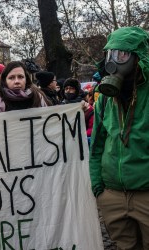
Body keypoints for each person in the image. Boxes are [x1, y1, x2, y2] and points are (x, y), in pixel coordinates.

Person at [89, 26, 149, 249]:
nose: (113, 60)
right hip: (112, 195)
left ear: (138, 57)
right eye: (110, 53)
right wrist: (99, 189)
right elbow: (96, 145)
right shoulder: (105, 100)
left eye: (121, 54)